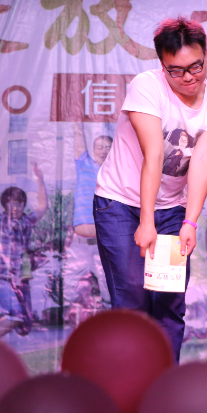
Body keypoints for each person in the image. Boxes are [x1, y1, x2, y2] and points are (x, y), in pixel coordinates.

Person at [93, 16, 207, 361]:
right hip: (120, 204)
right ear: (162, 65)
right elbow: (153, 154)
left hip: (171, 209)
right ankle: (129, 382)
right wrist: (145, 221)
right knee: (133, 299)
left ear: (206, 57)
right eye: (176, 70)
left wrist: (190, 222)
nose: (189, 77)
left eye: (196, 66)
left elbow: (202, 161)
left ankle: (163, 382)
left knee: (169, 301)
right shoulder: (147, 86)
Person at [0, 147, 47, 338]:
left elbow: (43, 206)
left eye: (19, 204)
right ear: (5, 206)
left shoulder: (27, 222)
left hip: (19, 281)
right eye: (12, 204)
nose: (16, 208)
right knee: (15, 316)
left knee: (24, 327)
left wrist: (40, 180)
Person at [64, 123, 113, 318]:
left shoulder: (116, 174)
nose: (103, 150)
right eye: (100, 147)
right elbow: (78, 137)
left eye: (108, 147)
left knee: (109, 290)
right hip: (80, 245)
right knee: (68, 290)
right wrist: (77, 125)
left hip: (103, 244)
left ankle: (110, 323)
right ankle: (69, 324)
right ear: (93, 150)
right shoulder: (84, 165)